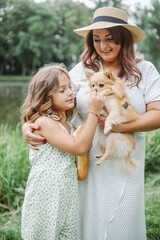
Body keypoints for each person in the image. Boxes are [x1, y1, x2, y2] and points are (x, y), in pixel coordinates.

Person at [22, 7, 160, 240]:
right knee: (87, 225)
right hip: (88, 163)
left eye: (110, 38)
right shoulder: (81, 72)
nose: (103, 46)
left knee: (121, 224)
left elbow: (157, 113)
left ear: (124, 39)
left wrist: (119, 127)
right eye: (97, 39)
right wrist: (29, 124)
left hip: (123, 159)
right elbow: (49, 100)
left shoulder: (144, 71)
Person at [20, 63, 105, 240]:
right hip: (46, 192)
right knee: (45, 234)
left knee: (69, 234)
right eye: (62, 90)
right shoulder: (44, 123)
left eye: (70, 87)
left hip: (67, 190)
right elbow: (79, 147)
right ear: (46, 96)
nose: (70, 93)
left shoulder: (66, 124)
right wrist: (94, 112)